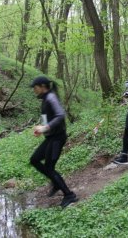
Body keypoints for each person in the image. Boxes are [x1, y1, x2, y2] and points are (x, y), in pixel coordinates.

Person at [29, 76, 77, 208]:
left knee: (50, 167)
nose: (34, 90)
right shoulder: (45, 99)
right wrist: (42, 130)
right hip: (50, 137)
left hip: (57, 138)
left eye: (35, 87)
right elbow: (48, 118)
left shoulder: (51, 97)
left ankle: (69, 195)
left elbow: (60, 115)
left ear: (42, 86)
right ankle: (56, 183)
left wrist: (45, 127)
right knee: (35, 159)